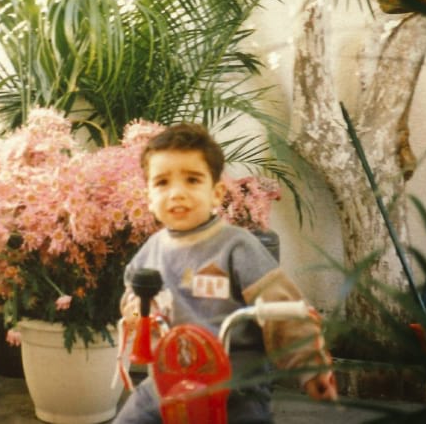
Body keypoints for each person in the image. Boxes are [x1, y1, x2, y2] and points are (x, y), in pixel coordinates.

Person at [114, 122, 337, 424]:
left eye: (192, 180)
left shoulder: (236, 246)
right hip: (170, 378)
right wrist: (132, 308)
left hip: (235, 384)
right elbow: (134, 294)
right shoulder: (151, 250)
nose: (177, 193)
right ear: (150, 196)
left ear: (217, 193)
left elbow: (282, 310)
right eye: (162, 183)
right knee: (132, 417)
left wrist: (309, 366)